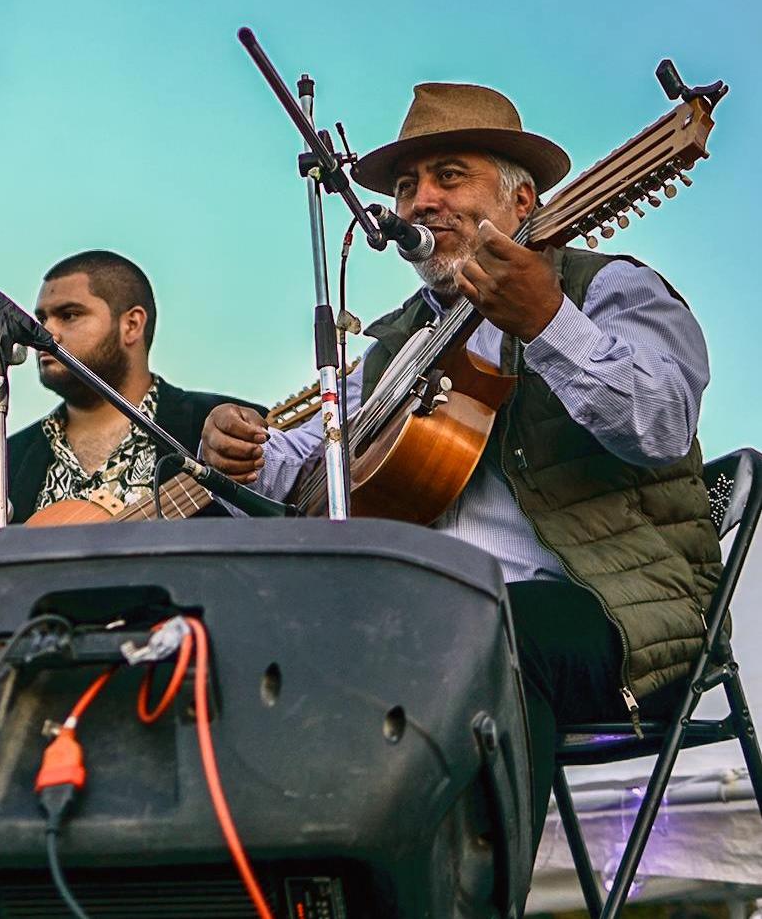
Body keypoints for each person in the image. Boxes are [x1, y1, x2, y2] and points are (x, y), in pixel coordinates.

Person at [198, 82, 721, 858]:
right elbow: (304, 465)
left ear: (523, 200)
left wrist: (548, 322)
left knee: (483, 626)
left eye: (449, 175)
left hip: (611, 614)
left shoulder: (610, 288)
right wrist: (239, 449)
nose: (419, 202)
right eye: (407, 187)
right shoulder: (394, 345)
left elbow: (663, 421)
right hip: (421, 622)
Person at [0, 250, 264, 527]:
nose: (46, 331)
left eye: (69, 315)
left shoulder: (221, 431)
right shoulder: (5, 461)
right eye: (41, 318)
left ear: (131, 325)